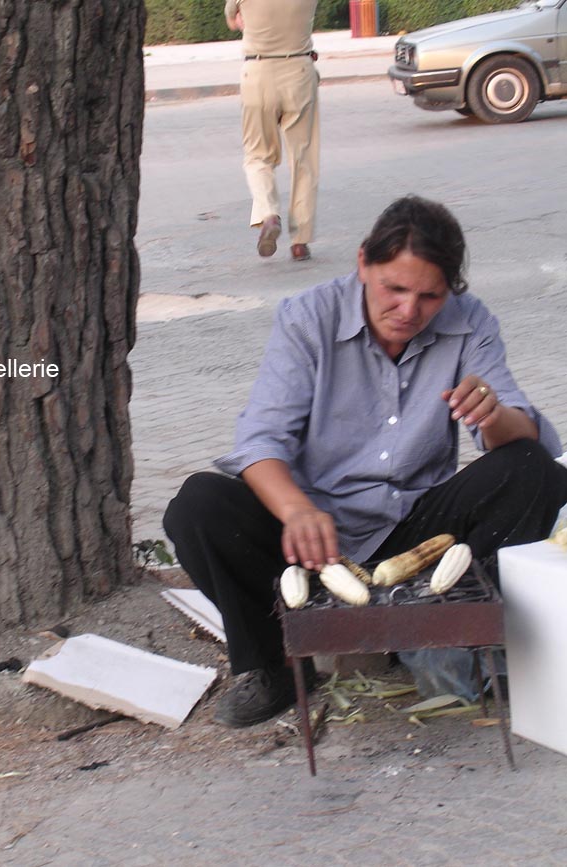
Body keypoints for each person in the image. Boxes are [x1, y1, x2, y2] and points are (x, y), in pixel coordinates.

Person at [163, 195, 567, 728]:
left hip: (419, 536)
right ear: (362, 264)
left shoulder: (470, 323)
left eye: (429, 296)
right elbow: (261, 440)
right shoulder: (310, 317)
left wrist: (493, 413)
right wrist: (297, 512)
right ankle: (275, 666)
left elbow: (524, 434)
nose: (408, 311)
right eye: (393, 289)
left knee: (534, 471)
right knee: (197, 505)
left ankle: (442, 630)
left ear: (450, 292)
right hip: (316, 538)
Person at [224, 0, 319, 261]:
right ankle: (300, 241)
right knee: (303, 160)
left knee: (258, 156)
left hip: (258, 72)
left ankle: (268, 214)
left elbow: (234, 22)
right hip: (299, 70)